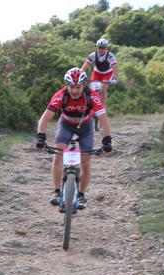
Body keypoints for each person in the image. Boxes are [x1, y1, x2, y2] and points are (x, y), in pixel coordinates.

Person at [35, 67, 113, 210]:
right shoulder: (61, 95)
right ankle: (57, 191)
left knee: (86, 163)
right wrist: (40, 137)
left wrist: (107, 140)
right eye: (71, 87)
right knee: (58, 156)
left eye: (78, 87)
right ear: (67, 85)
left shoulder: (92, 96)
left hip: (85, 126)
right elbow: (46, 117)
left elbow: (103, 118)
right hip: (66, 125)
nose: (75, 91)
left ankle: (81, 195)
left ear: (84, 85)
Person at [81, 38, 119, 109]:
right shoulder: (93, 55)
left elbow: (115, 68)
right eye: (99, 48)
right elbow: (86, 65)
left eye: (103, 48)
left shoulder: (110, 56)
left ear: (106, 48)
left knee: (103, 89)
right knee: (93, 90)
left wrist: (116, 79)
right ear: (97, 47)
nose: (100, 50)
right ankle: (92, 106)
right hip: (97, 73)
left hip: (107, 73)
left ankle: (102, 108)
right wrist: (80, 74)